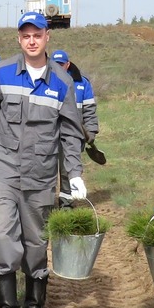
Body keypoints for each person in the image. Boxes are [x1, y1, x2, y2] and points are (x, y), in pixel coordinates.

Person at [0, 12, 86, 308]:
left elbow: (71, 132)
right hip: (4, 170)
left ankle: (34, 305)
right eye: (26, 36)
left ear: (47, 38)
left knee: (35, 242)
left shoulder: (62, 82)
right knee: (3, 235)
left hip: (41, 174)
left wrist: (74, 173)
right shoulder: (2, 73)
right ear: (19, 39)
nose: (32, 41)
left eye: (37, 35)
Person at [51, 50, 101, 208]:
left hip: (73, 134)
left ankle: (66, 203)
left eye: (61, 65)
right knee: (47, 169)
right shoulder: (45, 81)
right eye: (55, 65)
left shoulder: (82, 83)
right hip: (49, 135)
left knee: (68, 169)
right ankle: (44, 204)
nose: (58, 68)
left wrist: (91, 131)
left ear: (68, 64)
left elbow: (89, 110)